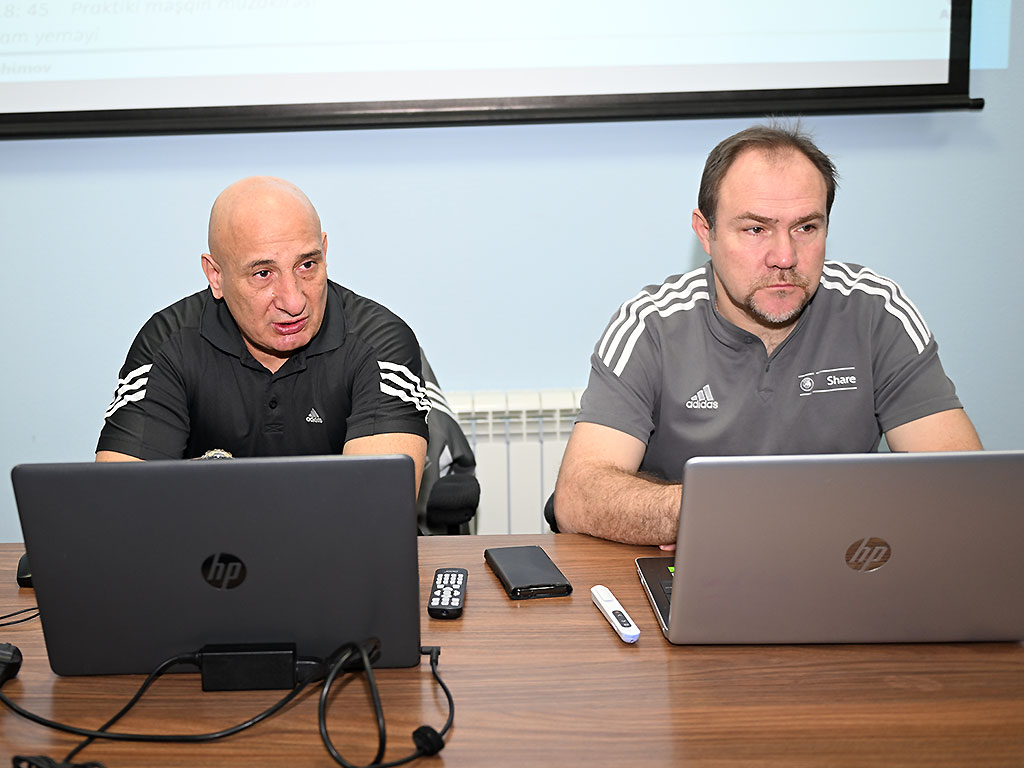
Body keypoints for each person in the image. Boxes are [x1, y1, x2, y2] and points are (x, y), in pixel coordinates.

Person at [552, 124, 982, 546]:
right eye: (756, 229)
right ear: (706, 232)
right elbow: (578, 498)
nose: (784, 257)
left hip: (837, 559)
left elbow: (964, 486)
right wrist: (707, 514)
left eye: (806, 228)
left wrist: (773, 516)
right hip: (697, 565)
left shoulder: (875, 311)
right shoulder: (651, 324)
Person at [96, 176, 430, 493]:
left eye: (307, 265)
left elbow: (373, 508)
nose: (294, 302)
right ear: (215, 275)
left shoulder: (379, 342)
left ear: (325, 253)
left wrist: (207, 482)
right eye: (263, 273)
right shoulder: (168, 344)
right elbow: (121, 503)